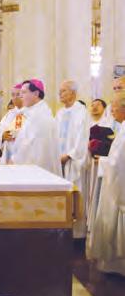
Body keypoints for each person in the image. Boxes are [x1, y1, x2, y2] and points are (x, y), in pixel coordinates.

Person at [88, 104, 125, 276]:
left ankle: (117, 266)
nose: (111, 111)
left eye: (115, 108)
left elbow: (117, 161)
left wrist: (101, 161)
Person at [56, 80, 90, 238]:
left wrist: (70, 154)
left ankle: (77, 235)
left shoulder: (81, 112)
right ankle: (62, 231)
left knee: (76, 195)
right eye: (60, 91)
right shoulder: (59, 113)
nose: (60, 94)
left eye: (63, 91)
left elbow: (82, 137)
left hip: (73, 161)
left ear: (73, 93)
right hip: (59, 161)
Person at [9, 79, 61, 176]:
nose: (20, 96)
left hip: (37, 171)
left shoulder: (40, 116)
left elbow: (27, 147)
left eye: (24, 92)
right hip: (33, 169)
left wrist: (14, 160)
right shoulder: (33, 113)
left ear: (36, 94)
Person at [0, 83, 24, 164]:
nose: (15, 97)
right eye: (13, 95)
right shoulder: (9, 114)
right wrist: (2, 136)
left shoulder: (30, 113)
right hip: (7, 155)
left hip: (24, 155)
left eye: (18, 94)